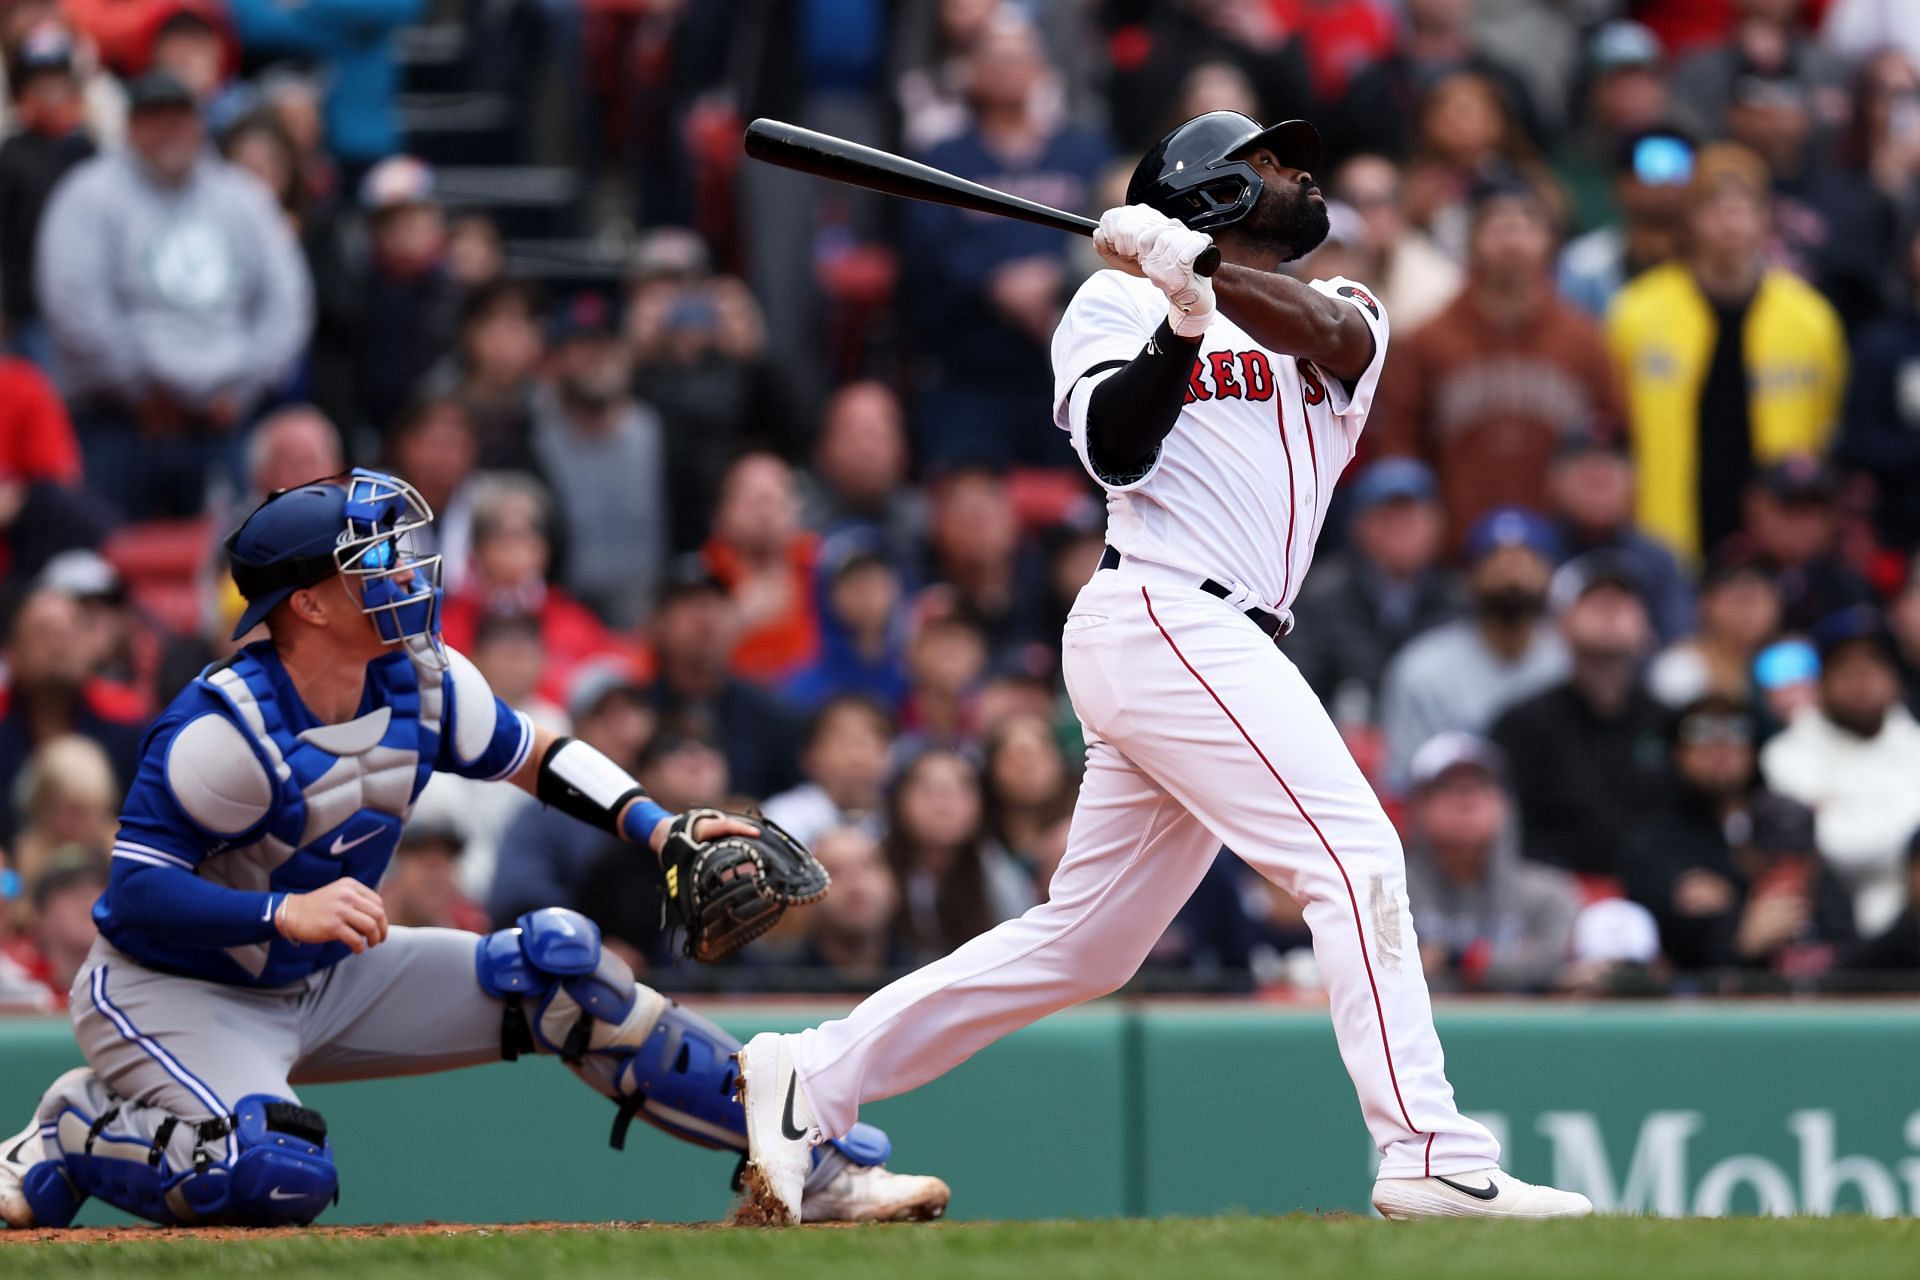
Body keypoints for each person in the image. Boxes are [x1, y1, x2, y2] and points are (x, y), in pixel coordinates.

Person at [732, 111, 1591, 1225]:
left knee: (1089, 941)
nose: (1299, 172)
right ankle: (1425, 1144)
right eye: (1270, 163)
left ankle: (815, 1071)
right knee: (1358, 852)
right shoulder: (1115, 300)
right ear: (1212, 187)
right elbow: (1114, 446)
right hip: (1162, 608)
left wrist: (1210, 279)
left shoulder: (1350, 308)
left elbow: (1325, 333)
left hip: (1217, 636)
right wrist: (1179, 313)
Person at [0, 468, 947, 1232]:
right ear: (309, 607)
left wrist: (659, 826)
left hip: (322, 968)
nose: (407, 574)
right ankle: (72, 1132)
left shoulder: (422, 679)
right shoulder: (224, 729)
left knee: (562, 974)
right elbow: (130, 901)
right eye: (372, 563)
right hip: (177, 991)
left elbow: (536, 755)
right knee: (275, 1176)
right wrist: (280, 912)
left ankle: (809, 1168)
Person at [36, 69, 312, 520]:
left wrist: (241, 389)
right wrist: (137, 387)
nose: (167, 130)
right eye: (152, 118)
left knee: (237, 570)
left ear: (199, 123)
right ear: (130, 127)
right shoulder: (88, 193)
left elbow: (288, 304)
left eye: (178, 117)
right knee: (109, 561)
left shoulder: (242, 197)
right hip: (119, 422)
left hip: (223, 421)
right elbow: (73, 306)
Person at [1607, 142, 1846, 561]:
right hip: (1664, 528)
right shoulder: (1637, 313)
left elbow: (1827, 427)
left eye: (1744, 208)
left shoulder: (1810, 319)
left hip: (1777, 534)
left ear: (1765, 219)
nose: (1730, 223)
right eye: (1715, 208)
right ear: (1690, 219)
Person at [902, 12, 1109, 469]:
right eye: (996, 58)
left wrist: (1057, 278)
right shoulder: (942, 158)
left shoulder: (1085, 152)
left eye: (1021, 57)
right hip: (969, 361)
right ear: (971, 72)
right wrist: (995, 284)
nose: (1010, 69)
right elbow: (926, 245)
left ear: (1041, 69)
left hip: (1069, 358)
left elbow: (1114, 237)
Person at [1375, 178, 1623, 545]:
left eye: (1526, 225)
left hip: (1565, 552)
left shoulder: (1585, 341)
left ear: (1551, 243)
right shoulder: (1427, 341)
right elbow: (1398, 452)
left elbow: (1618, 446)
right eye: (1497, 225)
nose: (1512, 239)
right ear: (1471, 240)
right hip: (1453, 556)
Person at [1623, 697, 1854, 973]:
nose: (1720, 747)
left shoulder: (1783, 824)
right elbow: (1659, 931)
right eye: (1701, 732)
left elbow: (1834, 917)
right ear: (1677, 751)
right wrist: (1738, 937)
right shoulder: (1653, 841)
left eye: (1737, 732)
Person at [1488, 554, 1670, 880]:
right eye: (1592, 602)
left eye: (1622, 603)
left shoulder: (1668, 721)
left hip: (1656, 893)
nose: (1609, 612)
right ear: (1559, 624)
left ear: (1647, 626)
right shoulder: (1521, 724)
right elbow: (1510, 835)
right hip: (1552, 897)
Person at [1378, 507, 1570, 792]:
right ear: (1470, 577)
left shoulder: (1570, 663)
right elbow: (1401, 782)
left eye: (1526, 561)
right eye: (1497, 561)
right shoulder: (1424, 668)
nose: (1513, 575)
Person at [1761, 606, 1920, 937]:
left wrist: (1844, 815)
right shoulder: (1785, 753)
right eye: (1843, 664)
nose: (1860, 676)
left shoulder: (1914, 743)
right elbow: (1829, 849)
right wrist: (1906, 834)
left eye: (1874, 662)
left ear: (1896, 677)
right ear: (1820, 680)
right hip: (1825, 932)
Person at [1401, 733, 1581, 994]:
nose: (1466, 800)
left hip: (1518, 1032)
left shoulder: (1549, 894)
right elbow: (1378, 967)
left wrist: (1457, 959)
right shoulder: (1385, 892)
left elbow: (1557, 963)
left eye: (1481, 786)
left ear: (1506, 803)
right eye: (1446, 787)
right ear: (1417, 806)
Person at [530, 292, 668, 630]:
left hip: (648, 616)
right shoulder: (533, 437)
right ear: (557, 360)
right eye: (582, 346)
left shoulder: (659, 431)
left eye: (606, 344)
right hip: (561, 619)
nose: (597, 358)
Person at [1285, 458, 1460, 720]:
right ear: (1359, 526)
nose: (1400, 529)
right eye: (1386, 518)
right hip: (1339, 746)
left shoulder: (1457, 600)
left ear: (1437, 526)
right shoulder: (1319, 597)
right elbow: (1295, 687)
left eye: (1411, 516)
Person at [645, 562, 805, 802]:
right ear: (659, 625)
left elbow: (795, 806)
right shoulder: (637, 716)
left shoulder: (771, 715)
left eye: (716, 604)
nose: (705, 618)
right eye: (687, 605)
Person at [0, 589, 144, 846]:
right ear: (12, 653)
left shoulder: (130, 733)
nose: (59, 641)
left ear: (91, 646)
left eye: (71, 630)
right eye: (43, 632)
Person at [881, 748, 1033, 963]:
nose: (943, 805)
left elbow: (1022, 953)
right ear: (899, 800)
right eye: (928, 791)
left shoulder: (997, 873)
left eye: (958, 791)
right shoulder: (876, 866)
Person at [0, 22, 95, 356]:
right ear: (21, 93)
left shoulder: (88, 151)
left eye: (59, 82)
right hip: (30, 310)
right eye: (40, 84)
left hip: (86, 305)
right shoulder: (10, 154)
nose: (52, 93)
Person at [1546, 438, 1695, 645]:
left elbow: (1678, 639)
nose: (1598, 493)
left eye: (1607, 480)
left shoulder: (1658, 560)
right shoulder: (1536, 553)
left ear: (1633, 486)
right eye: (1588, 481)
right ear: (1555, 485)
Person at [1557, 126, 1695, 319]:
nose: (1667, 183)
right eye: (1652, 169)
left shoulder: (1721, 261)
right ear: (1620, 185)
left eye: (1679, 169)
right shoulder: (1583, 264)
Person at [1732, 455, 1877, 634]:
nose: (1805, 524)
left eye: (1817, 509)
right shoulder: (1729, 576)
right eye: (1791, 508)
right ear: (1756, 509)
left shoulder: (1850, 588)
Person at [1327, 153, 1461, 336]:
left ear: (1400, 210)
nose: (1359, 214)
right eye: (1349, 201)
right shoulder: (1313, 267)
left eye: (1372, 203)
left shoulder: (1440, 283)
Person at [1646, 547, 1783, 708]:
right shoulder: (1678, 668)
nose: (1750, 611)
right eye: (1740, 599)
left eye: (1759, 597)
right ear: (1706, 604)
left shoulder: (1789, 659)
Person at [761, 696, 894, 851]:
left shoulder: (901, 818)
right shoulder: (780, 817)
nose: (859, 757)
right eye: (845, 743)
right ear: (809, 756)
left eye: (872, 743)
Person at [788, 826, 906, 990]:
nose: (855, 885)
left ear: (895, 885)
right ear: (806, 898)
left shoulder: (928, 979)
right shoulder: (773, 984)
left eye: (867, 866)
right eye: (833, 872)